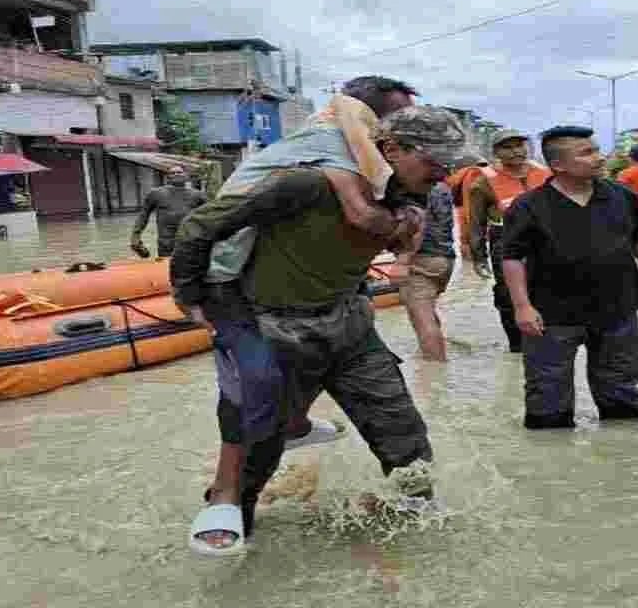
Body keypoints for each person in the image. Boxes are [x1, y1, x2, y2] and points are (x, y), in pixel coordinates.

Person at [171, 105, 468, 554]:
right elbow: (200, 226)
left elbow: (394, 231)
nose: (444, 172)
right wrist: (190, 296)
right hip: (275, 329)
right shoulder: (304, 184)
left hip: (350, 329)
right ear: (391, 149)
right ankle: (239, 525)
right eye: (434, 160)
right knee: (259, 449)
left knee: (405, 439)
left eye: (450, 163)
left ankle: (422, 539)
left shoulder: (411, 194)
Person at [499, 126, 638, 429]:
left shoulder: (622, 197)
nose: (598, 157)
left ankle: (626, 460)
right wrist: (522, 306)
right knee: (548, 401)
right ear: (558, 165)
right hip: (551, 314)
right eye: (587, 153)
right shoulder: (528, 206)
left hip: (616, 309)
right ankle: (551, 466)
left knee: (622, 395)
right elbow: (513, 258)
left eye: (595, 149)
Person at [467, 129, 553, 352]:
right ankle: (517, 347)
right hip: (505, 240)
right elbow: (476, 224)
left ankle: (548, 340)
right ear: (496, 152)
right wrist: (479, 258)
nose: (516, 151)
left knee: (549, 290)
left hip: (545, 241)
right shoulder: (482, 183)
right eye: (508, 147)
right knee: (508, 295)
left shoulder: (546, 174)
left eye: (520, 145)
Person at [394, 180, 456, 361]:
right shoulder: (441, 187)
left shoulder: (410, 187)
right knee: (428, 313)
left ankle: (436, 373)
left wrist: (403, 259)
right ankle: (431, 357)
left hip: (421, 258)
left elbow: (416, 219)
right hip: (445, 258)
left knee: (422, 320)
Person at [130, 166, 207, 258]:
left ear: (186, 176)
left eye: (179, 172)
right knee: (167, 267)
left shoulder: (197, 195)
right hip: (166, 244)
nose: (176, 174)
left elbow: (210, 216)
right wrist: (135, 236)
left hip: (189, 242)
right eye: (173, 173)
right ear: (168, 178)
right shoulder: (156, 194)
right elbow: (143, 217)